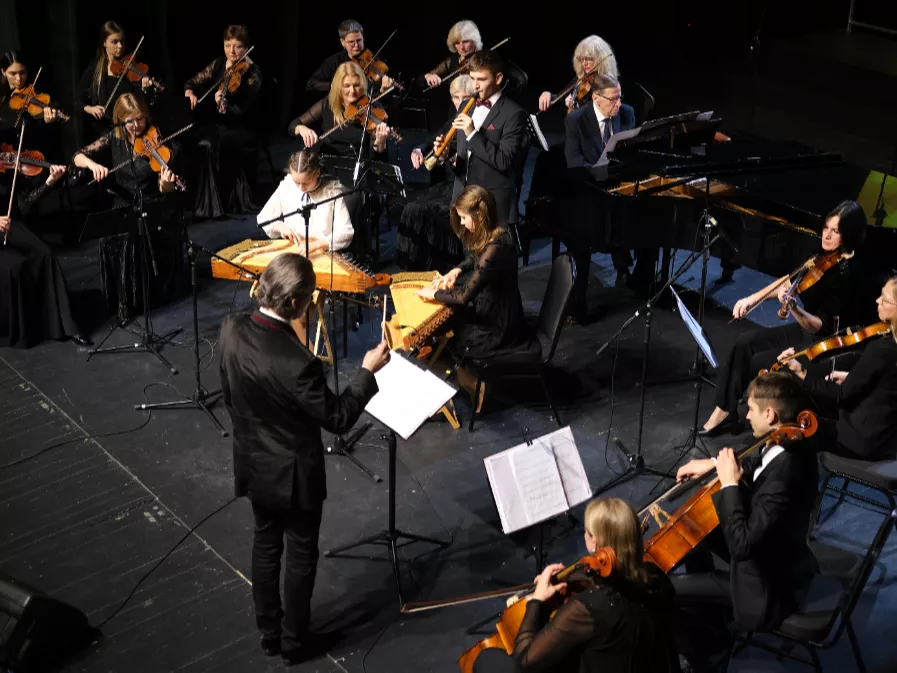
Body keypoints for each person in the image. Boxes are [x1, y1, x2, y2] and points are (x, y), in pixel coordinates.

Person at [219, 253, 390, 665]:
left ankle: (269, 634)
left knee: (265, 546)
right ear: (297, 303)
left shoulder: (230, 329)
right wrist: (367, 373)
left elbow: (230, 392)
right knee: (299, 556)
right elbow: (338, 418)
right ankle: (295, 642)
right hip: (294, 478)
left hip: (254, 462)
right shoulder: (298, 364)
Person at [672, 372, 819, 671]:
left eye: (750, 409)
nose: (746, 416)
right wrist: (714, 464)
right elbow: (755, 460)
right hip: (771, 552)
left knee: (664, 591)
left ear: (770, 413)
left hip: (767, 584)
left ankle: (705, 659)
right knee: (691, 533)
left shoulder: (787, 471)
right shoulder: (783, 440)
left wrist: (728, 485)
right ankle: (712, 627)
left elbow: (741, 545)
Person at [701, 200, 869, 436]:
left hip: (825, 343)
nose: (827, 236)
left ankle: (766, 424)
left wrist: (795, 310)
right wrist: (752, 299)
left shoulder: (848, 275)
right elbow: (790, 281)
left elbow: (819, 325)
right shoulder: (821, 255)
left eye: (835, 231)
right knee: (744, 343)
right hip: (807, 331)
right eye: (826, 228)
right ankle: (724, 413)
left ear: (848, 236)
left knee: (760, 360)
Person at [472, 497, 680, 673]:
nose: (584, 535)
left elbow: (525, 662)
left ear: (595, 542)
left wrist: (537, 603)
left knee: (487, 660)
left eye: (587, 532)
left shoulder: (587, 608)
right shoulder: (656, 578)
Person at [73, 92, 186, 323]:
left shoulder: (158, 137)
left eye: (141, 119)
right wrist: (93, 165)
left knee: (144, 228)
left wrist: (166, 186)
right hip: (124, 200)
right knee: (117, 234)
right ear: (120, 119)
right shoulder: (113, 138)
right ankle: (125, 299)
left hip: (153, 200)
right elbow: (77, 156)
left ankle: (153, 294)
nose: (137, 126)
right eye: (131, 121)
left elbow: (165, 191)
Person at [780, 276, 897, 460]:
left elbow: (841, 395)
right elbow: (888, 385)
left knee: (792, 430)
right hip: (888, 439)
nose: (877, 301)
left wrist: (801, 373)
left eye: (885, 299)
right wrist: (852, 376)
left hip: (861, 439)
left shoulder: (882, 348)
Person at [416, 185, 534, 360]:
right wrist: (456, 270)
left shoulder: (497, 248)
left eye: (464, 217)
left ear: (479, 215)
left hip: (497, 326)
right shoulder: (497, 231)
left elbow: (464, 296)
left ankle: (470, 382)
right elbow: (475, 256)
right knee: (449, 323)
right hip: (495, 308)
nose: (462, 222)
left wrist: (433, 293)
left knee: (450, 335)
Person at [435, 50, 530, 232]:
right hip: (462, 198)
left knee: (486, 259)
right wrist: (446, 153)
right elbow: (460, 148)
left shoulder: (514, 114)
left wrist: (472, 133)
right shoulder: (465, 106)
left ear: (498, 78)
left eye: (481, 79)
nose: (475, 86)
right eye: (472, 78)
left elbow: (504, 161)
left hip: (491, 203)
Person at [0, 164, 91, 347]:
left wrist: (49, 182)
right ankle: (25, 329)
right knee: (15, 266)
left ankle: (67, 325)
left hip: (8, 222)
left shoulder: (5, 165)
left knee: (45, 253)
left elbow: (23, 206)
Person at [394, 75, 473, 271]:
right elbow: (433, 138)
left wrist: (450, 158)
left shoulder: (476, 123)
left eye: (465, 98)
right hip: (448, 183)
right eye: (455, 98)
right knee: (409, 206)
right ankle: (413, 267)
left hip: (465, 186)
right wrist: (420, 149)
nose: (460, 103)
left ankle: (434, 264)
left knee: (419, 210)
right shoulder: (455, 119)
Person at [184, 24, 262, 219]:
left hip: (242, 128)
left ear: (246, 48)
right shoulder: (219, 63)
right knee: (194, 139)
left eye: (237, 46)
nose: (232, 51)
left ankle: (212, 206)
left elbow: (243, 110)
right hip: (218, 123)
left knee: (211, 145)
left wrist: (225, 107)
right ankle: (200, 201)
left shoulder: (253, 73)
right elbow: (193, 80)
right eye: (228, 45)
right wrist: (189, 91)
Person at [289, 61, 394, 160]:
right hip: (328, 164)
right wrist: (301, 128)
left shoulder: (374, 109)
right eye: (347, 86)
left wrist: (380, 144)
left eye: (357, 85)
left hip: (358, 169)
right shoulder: (327, 104)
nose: (352, 91)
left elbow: (374, 161)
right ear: (338, 87)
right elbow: (292, 126)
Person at [258, 150, 354, 254]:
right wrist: (282, 228)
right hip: (294, 248)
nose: (301, 187)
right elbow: (264, 217)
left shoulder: (331, 192)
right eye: (297, 182)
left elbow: (346, 232)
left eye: (306, 182)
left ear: (317, 173)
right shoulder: (287, 186)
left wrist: (316, 244)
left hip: (320, 251)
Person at [75, 21, 155, 140]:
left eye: (122, 41)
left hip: (129, 131)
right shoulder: (95, 67)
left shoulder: (131, 66)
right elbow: (76, 101)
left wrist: (145, 89)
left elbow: (142, 104)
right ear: (104, 43)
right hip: (104, 131)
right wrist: (89, 108)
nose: (120, 46)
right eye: (115, 42)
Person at [418, 20, 528, 101]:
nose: (461, 47)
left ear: (474, 41)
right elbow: (420, 82)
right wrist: (428, 76)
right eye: (457, 42)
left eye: (465, 41)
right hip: (457, 111)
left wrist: (496, 98)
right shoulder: (452, 60)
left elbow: (521, 79)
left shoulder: (486, 58)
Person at [305, 19, 394, 94]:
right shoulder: (334, 62)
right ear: (342, 42)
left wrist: (383, 91)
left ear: (363, 38)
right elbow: (311, 84)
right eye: (351, 42)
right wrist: (336, 86)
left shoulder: (376, 60)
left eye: (359, 40)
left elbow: (374, 94)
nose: (356, 45)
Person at [0, 51, 65, 150]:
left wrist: (48, 122)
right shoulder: (2, 97)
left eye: (22, 73)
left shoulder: (35, 91)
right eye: (12, 73)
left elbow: (44, 137)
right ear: (3, 72)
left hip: (31, 152)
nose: (18, 78)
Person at [538, 35, 619, 113]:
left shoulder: (609, 86)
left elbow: (598, 117)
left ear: (600, 59)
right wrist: (548, 95)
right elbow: (561, 99)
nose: (584, 63)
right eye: (582, 59)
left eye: (588, 58)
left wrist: (576, 107)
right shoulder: (582, 79)